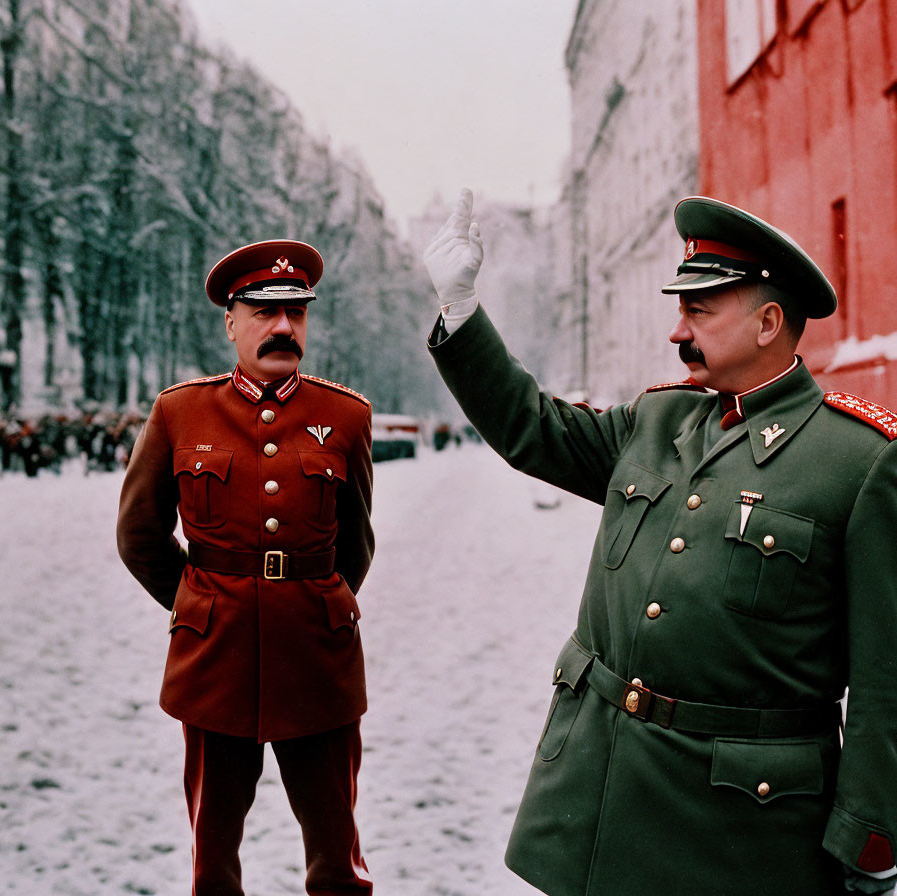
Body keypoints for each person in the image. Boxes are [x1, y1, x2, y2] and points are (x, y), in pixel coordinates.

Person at [423, 189, 897, 896]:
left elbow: (887, 681)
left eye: (698, 311)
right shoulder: (656, 420)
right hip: (600, 794)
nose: (678, 332)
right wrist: (460, 311)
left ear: (769, 322)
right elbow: (532, 428)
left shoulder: (857, 460)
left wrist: (869, 845)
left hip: (738, 834)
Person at [117, 239, 374, 895]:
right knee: (214, 860)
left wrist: (314, 601)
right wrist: (198, 604)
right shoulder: (180, 413)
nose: (283, 326)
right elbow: (139, 533)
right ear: (231, 322)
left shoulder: (345, 416)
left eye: (296, 313)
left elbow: (356, 544)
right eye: (263, 311)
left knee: (336, 860)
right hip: (216, 662)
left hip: (318, 660)